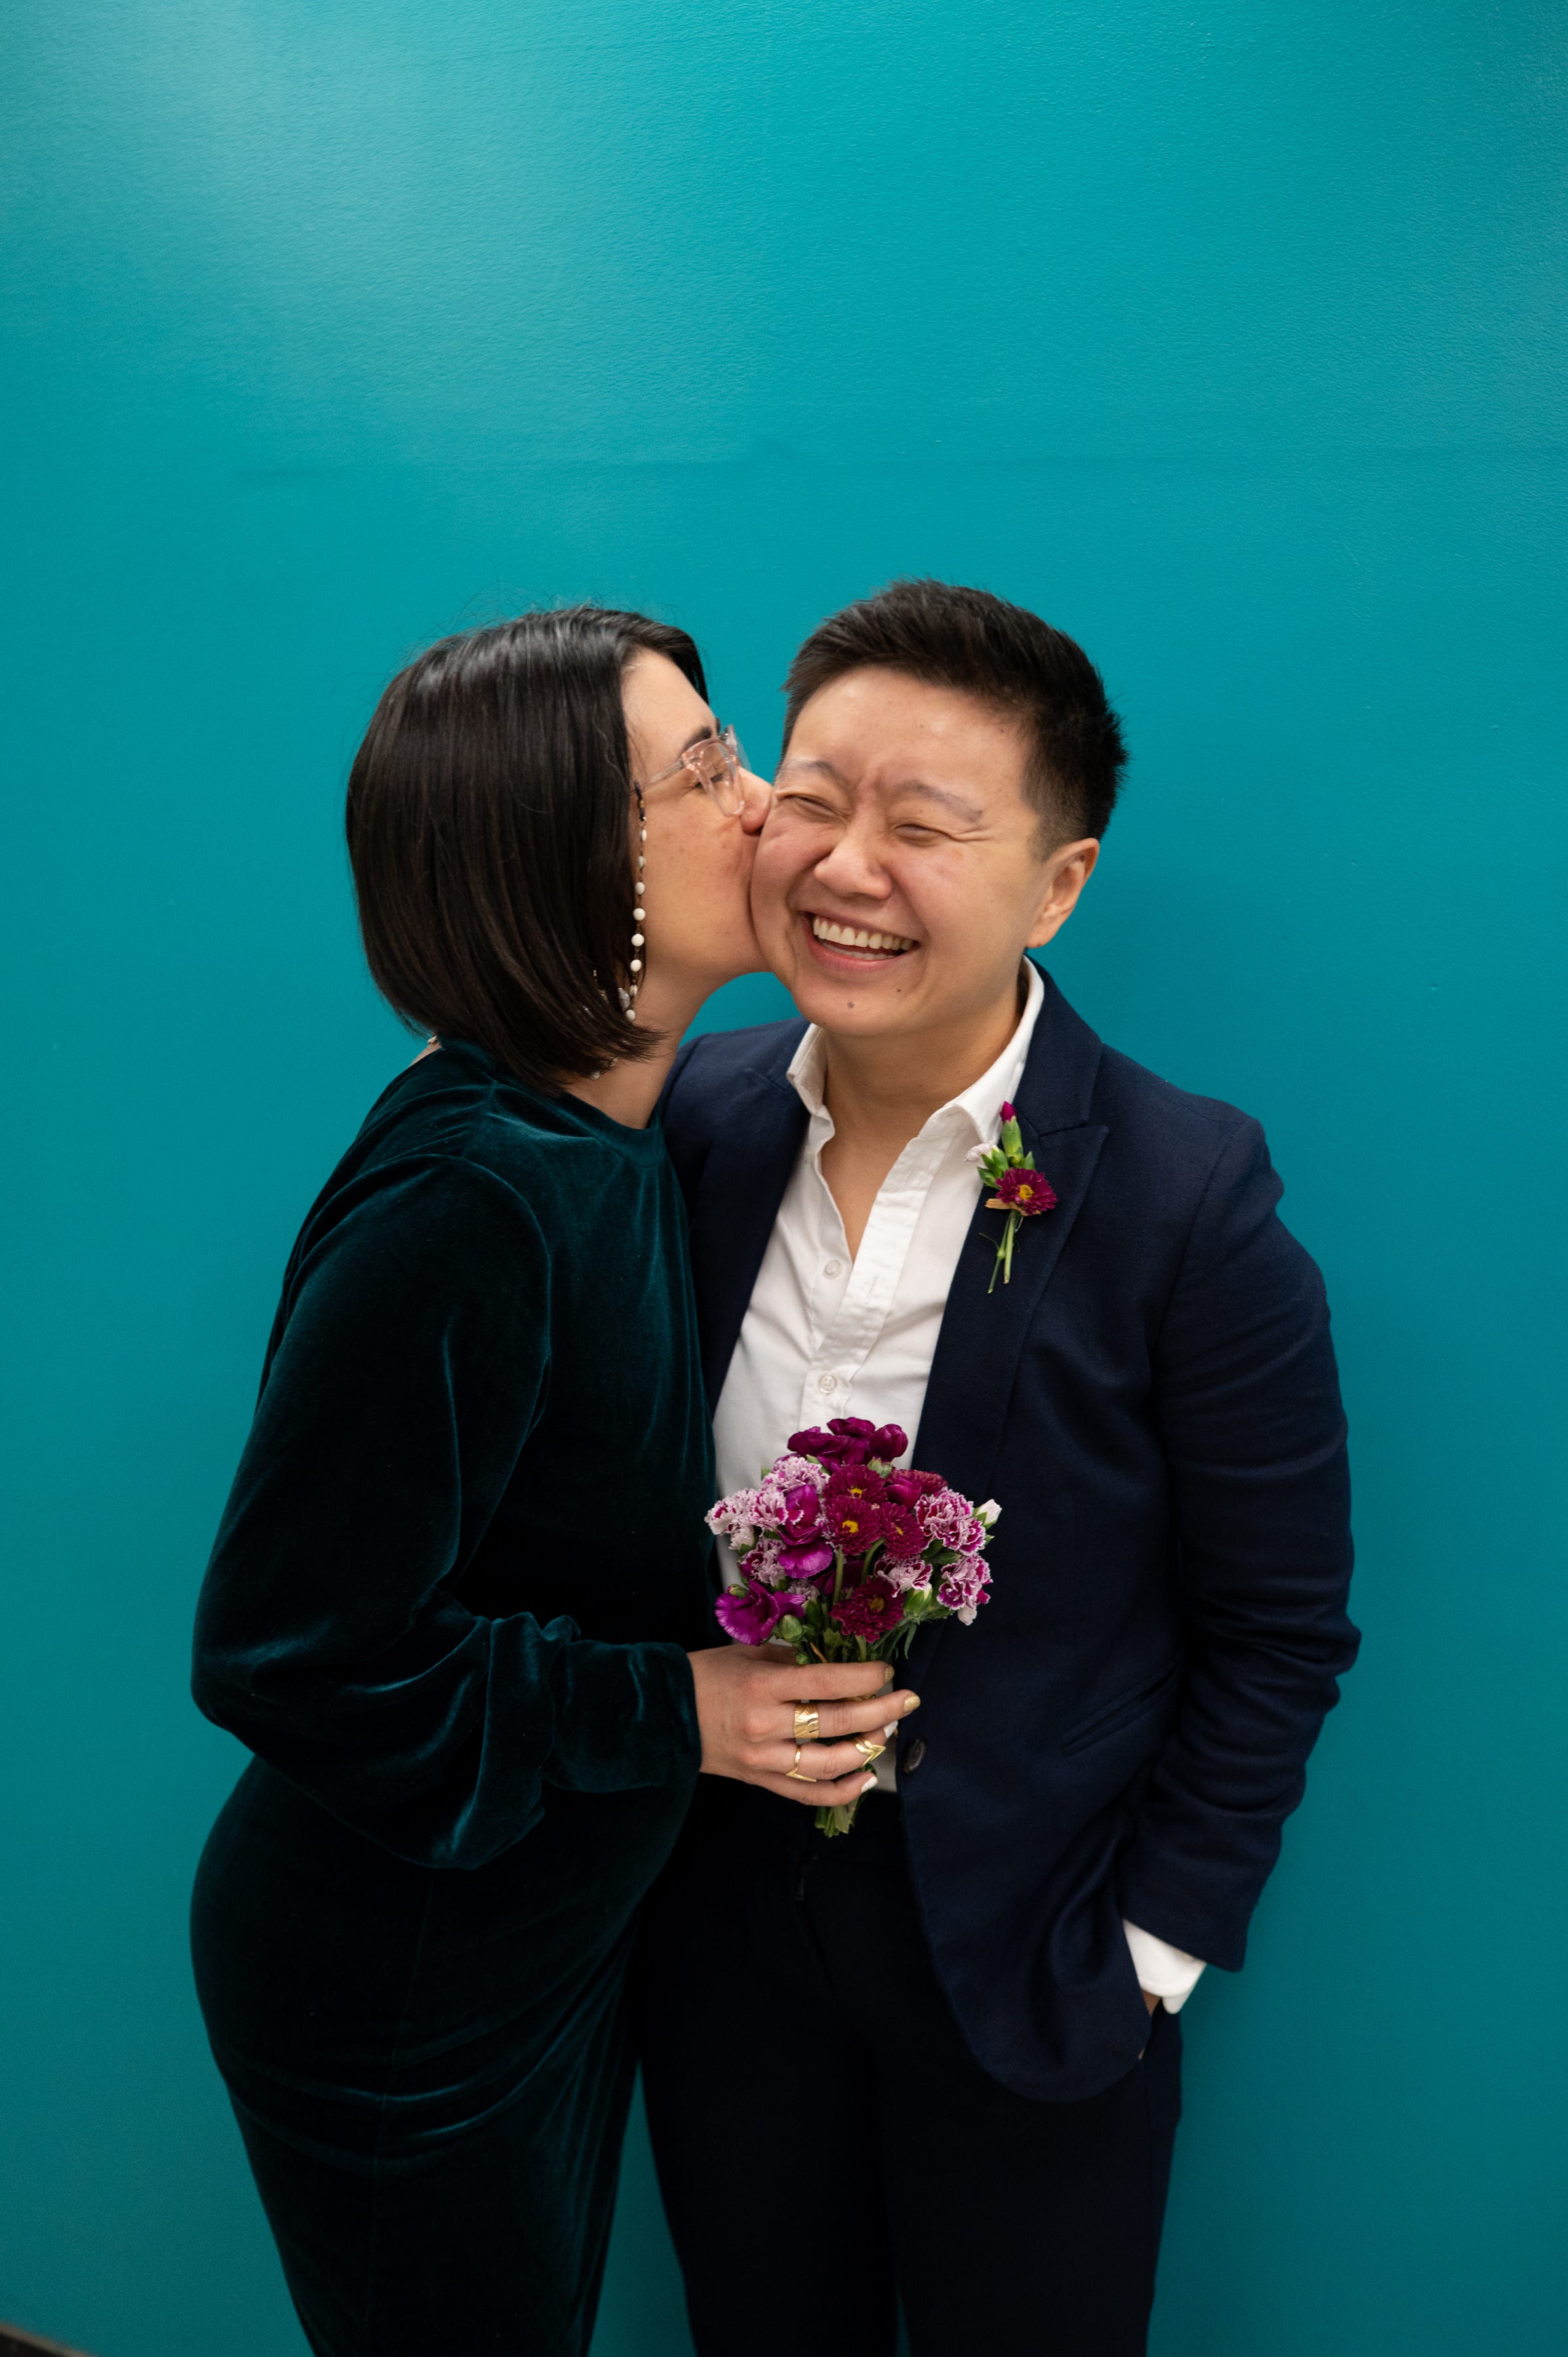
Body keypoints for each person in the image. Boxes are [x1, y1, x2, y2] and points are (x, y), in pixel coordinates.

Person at [636, 579, 1359, 2357]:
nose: (845, 867)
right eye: (813, 799)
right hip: (717, 1923)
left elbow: (1277, 1627)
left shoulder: (1186, 1196)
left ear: (1056, 884)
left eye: (924, 825)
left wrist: (1151, 1955)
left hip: (1035, 1946)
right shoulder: (691, 1122)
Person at [188, 606, 916, 2357]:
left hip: (537, 1933)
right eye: (706, 767)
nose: (766, 799)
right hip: (403, 1986)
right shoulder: (477, 1193)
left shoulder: (605, 1131)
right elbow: (286, 1653)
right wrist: (682, 1710)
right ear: (576, 859)